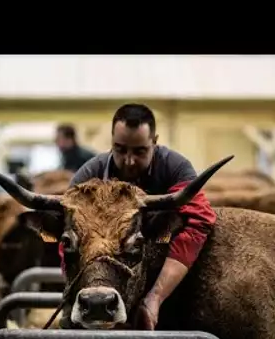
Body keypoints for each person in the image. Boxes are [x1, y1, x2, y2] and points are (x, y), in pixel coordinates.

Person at [58, 103, 217, 330]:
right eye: (120, 149)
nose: (129, 161)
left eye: (140, 151)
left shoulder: (175, 167)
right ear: (111, 141)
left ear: (155, 141)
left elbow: (199, 222)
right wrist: (76, 291)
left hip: (165, 277)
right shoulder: (87, 175)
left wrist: (156, 297)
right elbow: (68, 237)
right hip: (102, 282)